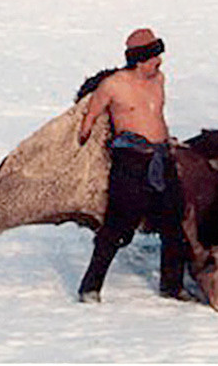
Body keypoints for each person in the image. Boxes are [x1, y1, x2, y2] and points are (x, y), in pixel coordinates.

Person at [76, 29, 189, 303]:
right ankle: (90, 287)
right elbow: (87, 120)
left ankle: (171, 286)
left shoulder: (159, 79)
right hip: (130, 161)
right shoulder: (113, 86)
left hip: (161, 158)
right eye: (154, 58)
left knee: (174, 224)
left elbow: (156, 115)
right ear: (139, 60)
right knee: (116, 226)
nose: (159, 62)